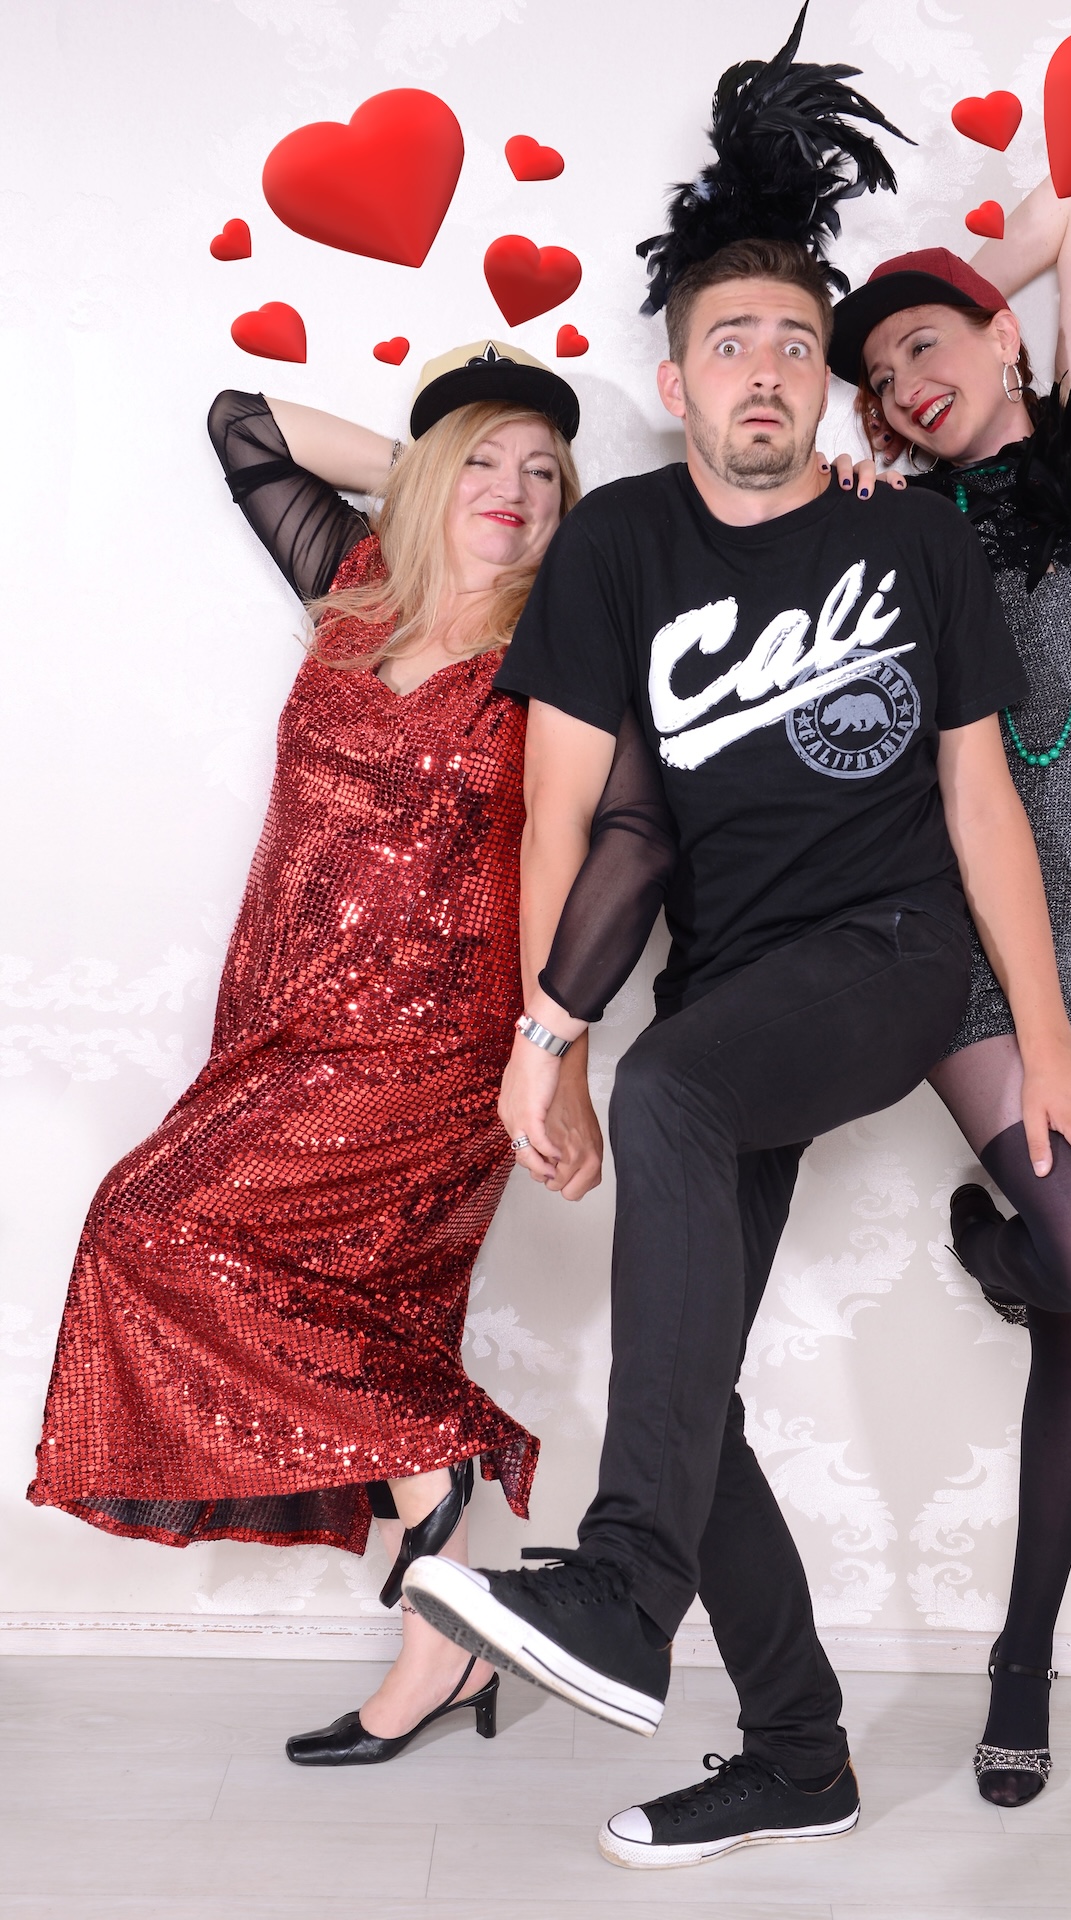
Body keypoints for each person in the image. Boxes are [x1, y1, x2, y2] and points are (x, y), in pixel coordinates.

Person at [401, 12, 1071, 1869]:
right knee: (686, 1375)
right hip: (724, 989)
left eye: (798, 347)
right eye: (732, 341)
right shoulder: (618, 549)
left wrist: (1049, 1044)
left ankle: (622, 1589)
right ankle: (801, 1754)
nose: (766, 369)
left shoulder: (914, 547)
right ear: (675, 377)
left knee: (677, 1100)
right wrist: (546, 1040)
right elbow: (563, 814)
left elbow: (984, 806)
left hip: (888, 955)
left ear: (828, 392)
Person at [27, 339, 602, 1766]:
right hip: (278, 1023)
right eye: (487, 459)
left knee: (149, 1226)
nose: (516, 490)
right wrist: (436, 483)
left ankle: (442, 1471)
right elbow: (244, 422)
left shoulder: (567, 641)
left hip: (434, 1046)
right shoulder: (357, 587)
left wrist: (560, 1054)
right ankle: (445, 1650)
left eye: (544, 473)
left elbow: (571, 854)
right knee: (363, 1312)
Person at [824, 182, 1071, 1803]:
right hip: (982, 954)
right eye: (879, 378)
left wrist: (951, 296)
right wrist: (865, 471)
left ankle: (1023, 1655)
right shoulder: (898, 527)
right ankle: (998, 1241)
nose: (903, 385)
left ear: (1005, 338)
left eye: (925, 347)